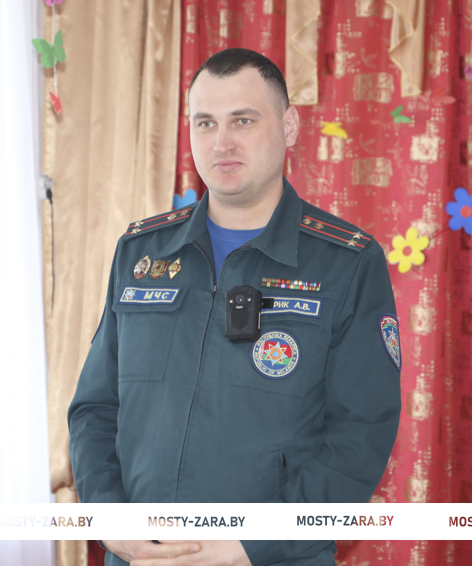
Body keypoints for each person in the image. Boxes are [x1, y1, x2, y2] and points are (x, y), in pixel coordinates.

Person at [68, 48, 402, 566]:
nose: (221, 142)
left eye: (242, 120)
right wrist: (109, 520)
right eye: (205, 123)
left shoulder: (347, 262)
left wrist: (252, 544)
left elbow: (362, 432)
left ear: (288, 127)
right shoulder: (140, 254)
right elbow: (94, 409)